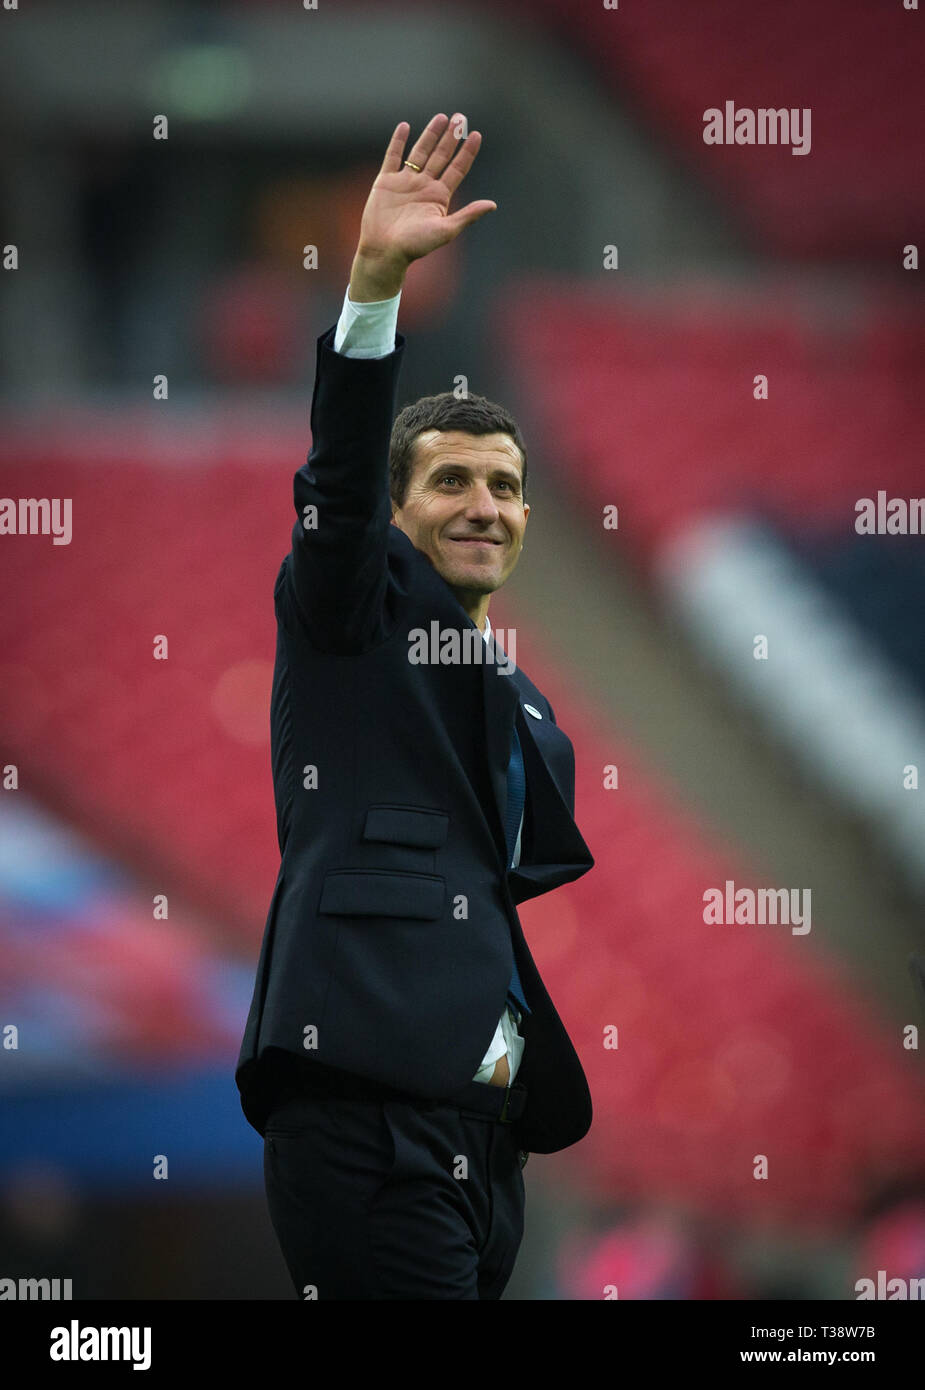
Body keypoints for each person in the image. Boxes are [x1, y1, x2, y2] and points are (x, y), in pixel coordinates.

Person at [236, 112, 594, 1299]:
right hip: (364, 1122)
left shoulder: (530, 710)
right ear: (397, 515)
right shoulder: (350, 609)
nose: (483, 503)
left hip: (485, 1149)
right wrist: (375, 286)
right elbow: (336, 487)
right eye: (449, 481)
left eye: (505, 485)